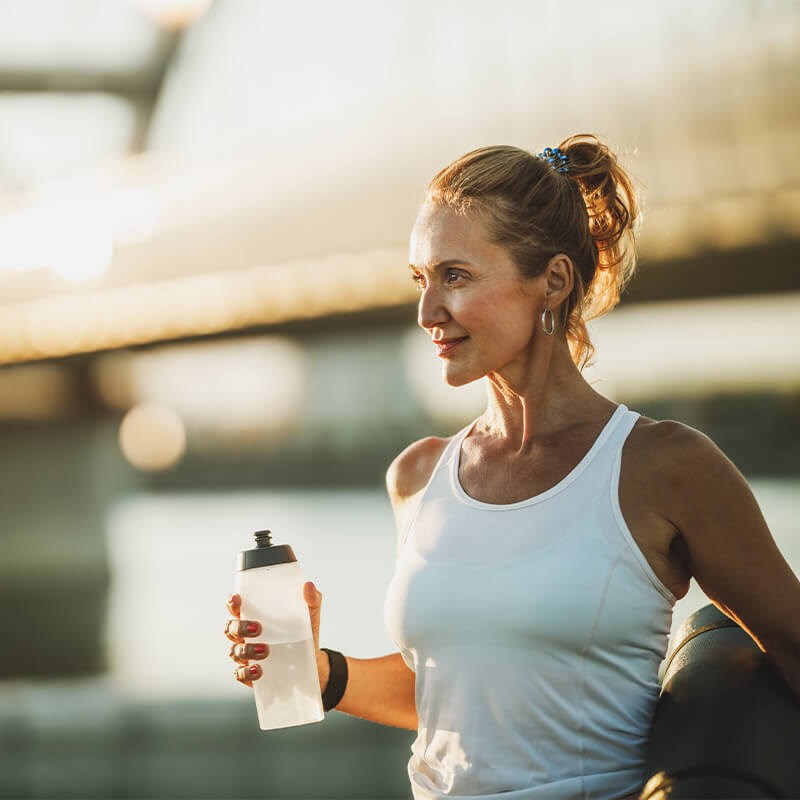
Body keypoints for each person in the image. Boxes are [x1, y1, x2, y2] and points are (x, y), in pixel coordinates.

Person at [225, 134, 800, 799]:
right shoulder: (418, 476)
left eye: (455, 276)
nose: (425, 312)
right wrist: (322, 673)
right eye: (421, 279)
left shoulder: (663, 467)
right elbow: (452, 695)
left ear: (552, 281)